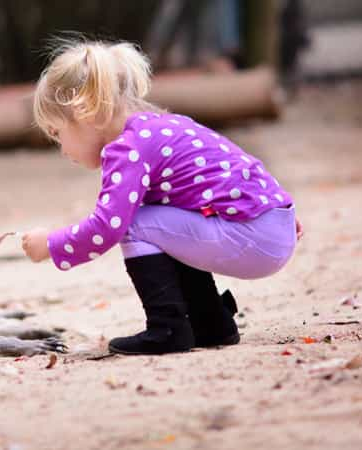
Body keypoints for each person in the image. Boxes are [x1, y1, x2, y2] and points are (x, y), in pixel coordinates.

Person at [21, 39, 302, 355]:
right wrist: (279, 211)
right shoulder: (161, 127)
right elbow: (231, 165)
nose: (62, 149)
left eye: (58, 133)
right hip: (273, 221)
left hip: (254, 234)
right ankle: (211, 323)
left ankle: (167, 328)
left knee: (133, 223)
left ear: (85, 112)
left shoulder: (126, 149)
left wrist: (51, 244)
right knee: (161, 219)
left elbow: (106, 227)